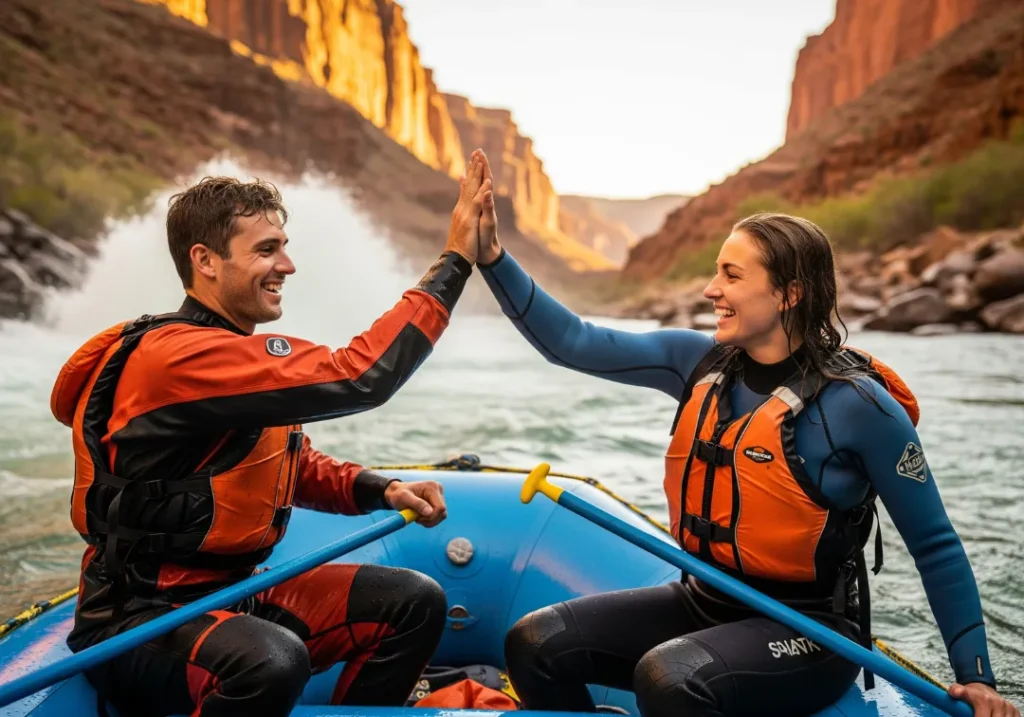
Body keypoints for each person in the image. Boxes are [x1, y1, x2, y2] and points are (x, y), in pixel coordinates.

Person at [467, 152, 1017, 717]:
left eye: (731, 275)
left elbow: (936, 546)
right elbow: (574, 342)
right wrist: (492, 257)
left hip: (811, 632)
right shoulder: (696, 362)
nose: (711, 289)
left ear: (789, 293)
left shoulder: (858, 406)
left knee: (672, 677)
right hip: (701, 600)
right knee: (534, 644)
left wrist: (976, 677)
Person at [49, 150, 494, 716]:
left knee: (414, 602)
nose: (287, 265)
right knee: (271, 661)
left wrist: (381, 489)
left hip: (232, 596)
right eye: (266, 250)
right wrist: (455, 259)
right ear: (205, 260)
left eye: (284, 246)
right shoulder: (179, 359)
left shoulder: (226, 356)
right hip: (139, 621)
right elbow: (361, 377)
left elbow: (285, 463)